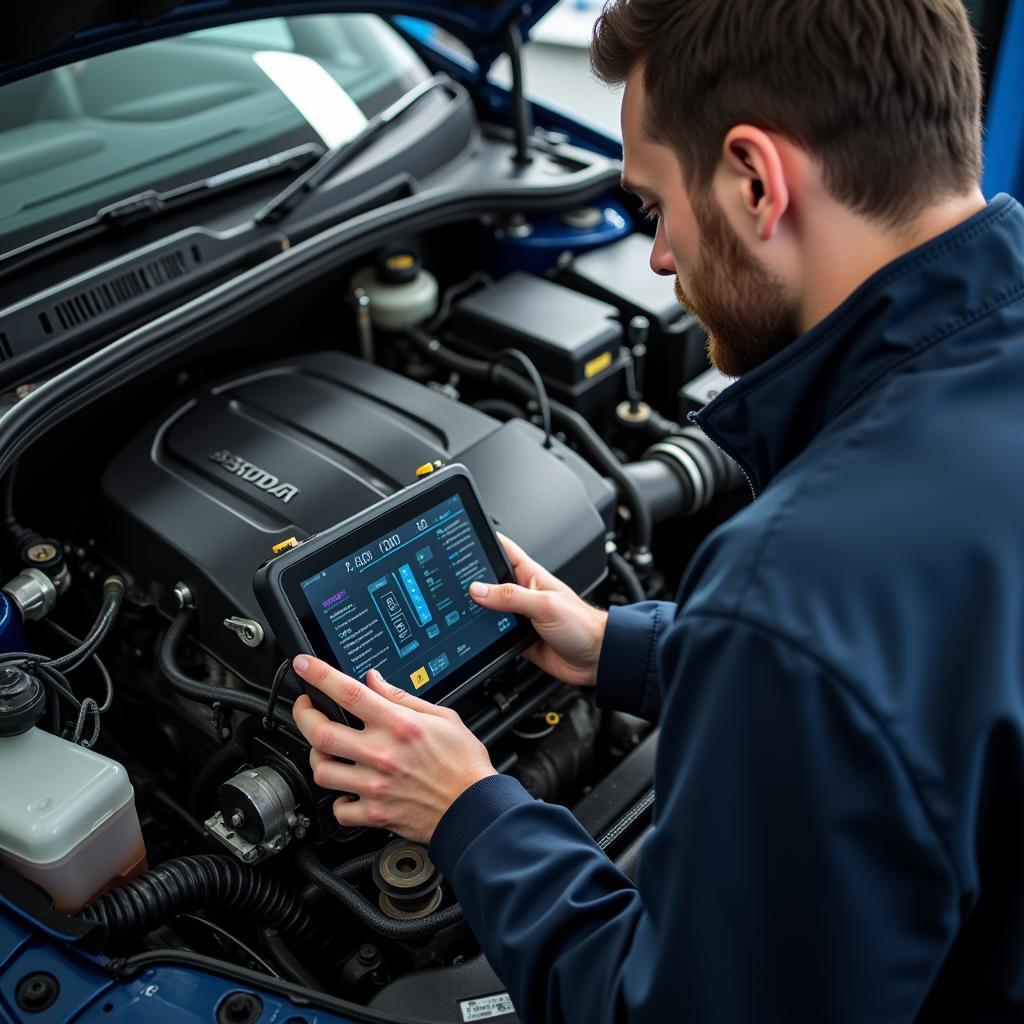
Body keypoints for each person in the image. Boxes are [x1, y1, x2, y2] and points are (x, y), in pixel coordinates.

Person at [292, 0, 1024, 1019]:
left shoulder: (799, 584)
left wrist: (468, 809)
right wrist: (621, 646)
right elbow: (927, 683)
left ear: (755, 180)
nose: (660, 261)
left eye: (650, 207)